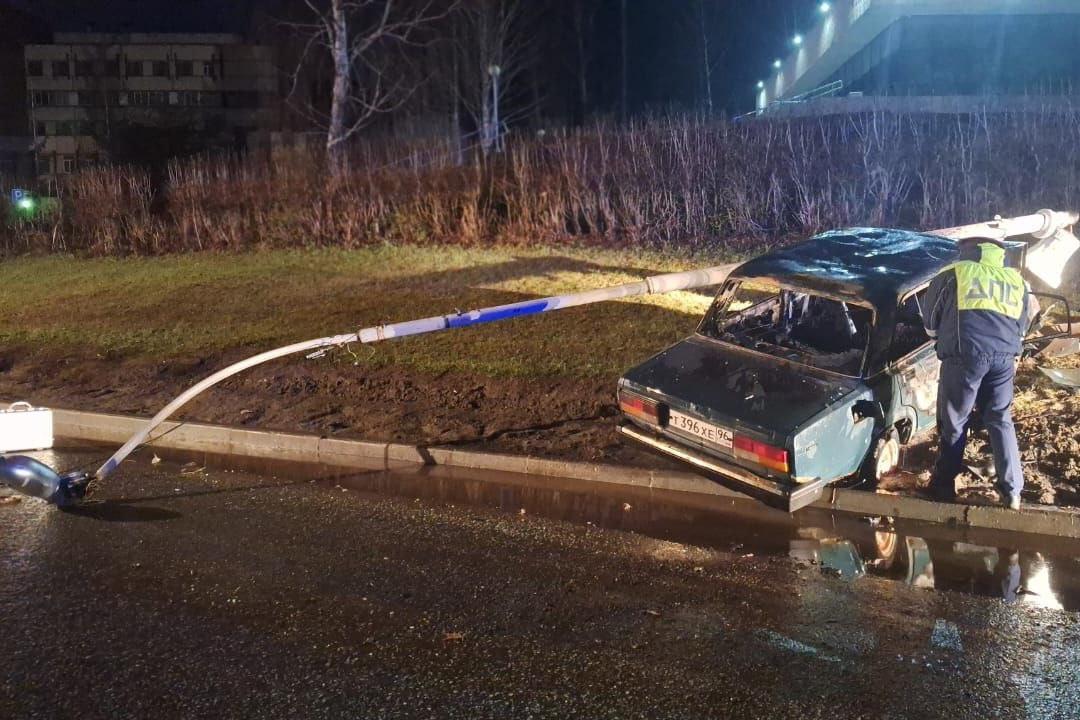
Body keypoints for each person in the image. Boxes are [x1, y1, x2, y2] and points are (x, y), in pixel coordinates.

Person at [922, 238, 1038, 510]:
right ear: (999, 254)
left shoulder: (954, 273)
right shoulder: (1016, 280)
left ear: (966, 250)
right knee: (1000, 419)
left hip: (965, 355)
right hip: (1003, 359)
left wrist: (942, 339)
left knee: (955, 420)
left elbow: (930, 322)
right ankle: (1012, 492)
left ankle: (943, 485)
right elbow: (1023, 324)